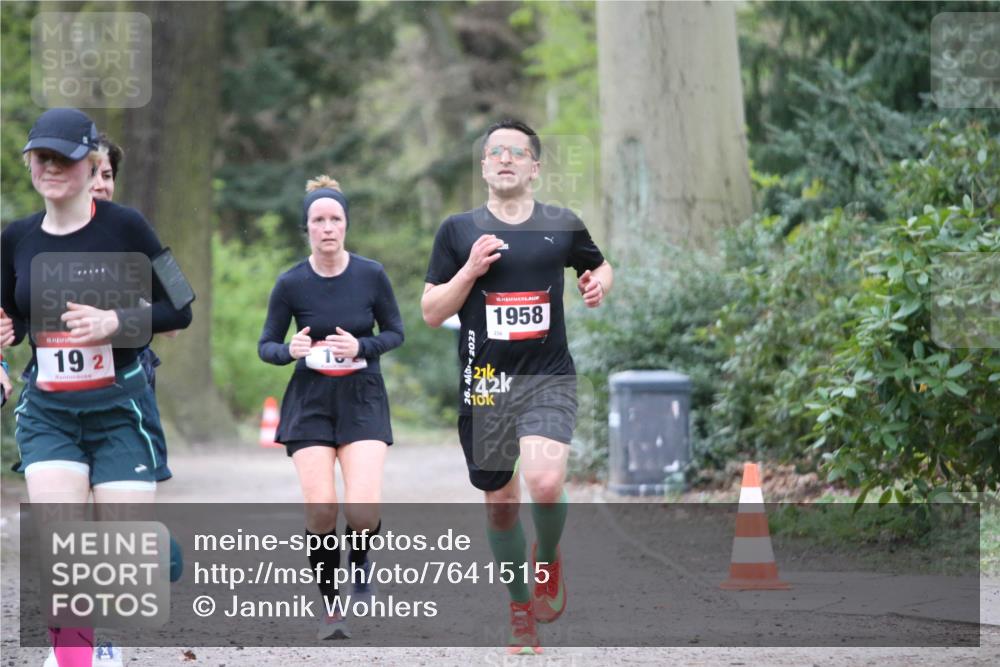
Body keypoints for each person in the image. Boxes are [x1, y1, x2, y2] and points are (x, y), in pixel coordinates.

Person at [1, 108, 193, 667]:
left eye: (64, 157)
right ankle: (77, 655)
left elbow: (181, 306)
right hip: (50, 411)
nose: (51, 167)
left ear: (91, 165)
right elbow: (7, 318)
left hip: (121, 408)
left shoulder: (126, 227)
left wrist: (118, 322)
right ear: (30, 165)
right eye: (42, 157)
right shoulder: (15, 238)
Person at [422, 120, 613, 655]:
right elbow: (432, 312)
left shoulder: (562, 224)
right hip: (485, 384)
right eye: (495, 152)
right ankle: (520, 608)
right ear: (484, 167)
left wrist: (597, 284)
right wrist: (469, 272)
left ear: (534, 167)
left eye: (517, 152)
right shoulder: (458, 231)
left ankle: (547, 558)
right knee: (501, 506)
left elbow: (599, 266)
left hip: (547, 376)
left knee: (547, 483)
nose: (505, 159)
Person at [258, 175, 404, 640]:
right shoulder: (290, 283)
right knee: (321, 508)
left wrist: (361, 344)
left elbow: (396, 332)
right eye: (318, 220)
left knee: (361, 512)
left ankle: (361, 557)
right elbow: (267, 345)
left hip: (362, 396)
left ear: (346, 225)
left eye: (334, 218)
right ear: (307, 228)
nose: (327, 227)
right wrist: (290, 350)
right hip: (310, 401)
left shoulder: (371, 274)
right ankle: (332, 610)